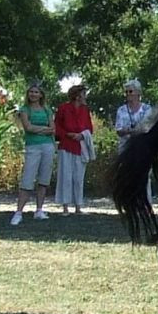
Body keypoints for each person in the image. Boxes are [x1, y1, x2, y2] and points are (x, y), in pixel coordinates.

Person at [10, 84, 55, 226]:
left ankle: (39, 209)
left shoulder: (47, 110)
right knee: (28, 179)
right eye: (31, 92)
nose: (34, 94)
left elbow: (53, 129)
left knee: (44, 179)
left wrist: (38, 129)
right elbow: (27, 127)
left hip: (48, 146)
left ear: (41, 95)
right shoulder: (25, 109)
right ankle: (19, 212)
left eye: (36, 92)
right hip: (33, 146)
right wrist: (44, 129)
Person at [54, 84, 94, 215]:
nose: (85, 97)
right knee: (65, 175)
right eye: (83, 94)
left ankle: (78, 205)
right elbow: (57, 126)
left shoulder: (85, 110)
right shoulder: (63, 108)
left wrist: (82, 135)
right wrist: (67, 134)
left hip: (80, 146)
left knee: (78, 177)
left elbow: (89, 128)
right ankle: (65, 206)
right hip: (66, 145)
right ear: (77, 96)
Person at [115, 79, 151, 153]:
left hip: (143, 149)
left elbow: (149, 128)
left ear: (138, 92)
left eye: (130, 91)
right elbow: (118, 130)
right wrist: (128, 131)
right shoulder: (121, 110)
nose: (128, 94)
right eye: (126, 92)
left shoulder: (147, 109)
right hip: (125, 150)